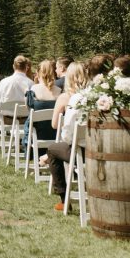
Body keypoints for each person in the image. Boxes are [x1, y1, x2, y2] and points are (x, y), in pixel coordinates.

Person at [45, 62, 88, 211]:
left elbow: (60, 128)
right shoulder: (95, 95)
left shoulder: (70, 98)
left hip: (79, 150)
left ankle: (64, 199)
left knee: (52, 150)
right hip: (98, 148)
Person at [0, 55, 33, 152]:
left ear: (13, 66)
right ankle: (21, 143)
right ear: (26, 67)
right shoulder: (31, 83)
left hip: (6, 119)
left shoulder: (5, 82)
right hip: (25, 120)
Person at [23, 59, 61, 147]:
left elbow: (28, 109)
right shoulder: (59, 91)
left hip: (37, 133)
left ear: (38, 72)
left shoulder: (33, 89)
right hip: (55, 134)